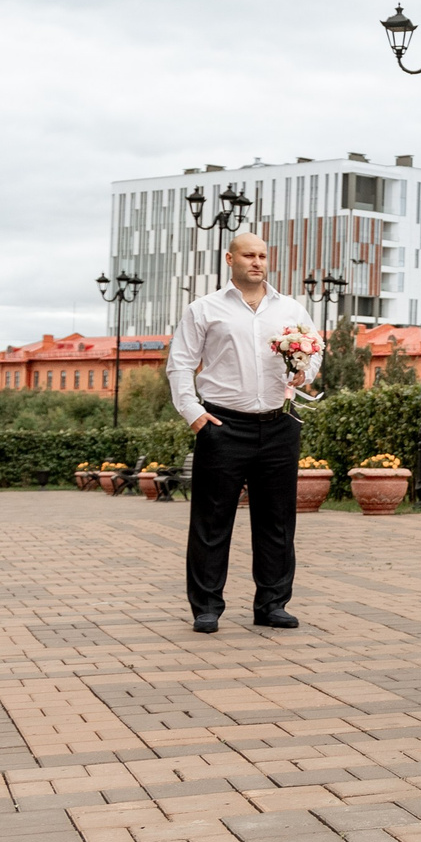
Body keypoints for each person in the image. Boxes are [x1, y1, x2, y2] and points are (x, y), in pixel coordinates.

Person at [168, 231, 318, 633]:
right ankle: (207, 607)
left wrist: (305, 372)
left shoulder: (290, 309)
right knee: (211, 521)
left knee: (277, 521)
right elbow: (180, 364)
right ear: (229, 258)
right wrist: (194, 414)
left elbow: (313, 351)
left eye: (263, 256)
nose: (257, 262)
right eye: (248, 255)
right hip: (222, 425)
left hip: (279, 422)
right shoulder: (204, 309)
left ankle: (272, 604)